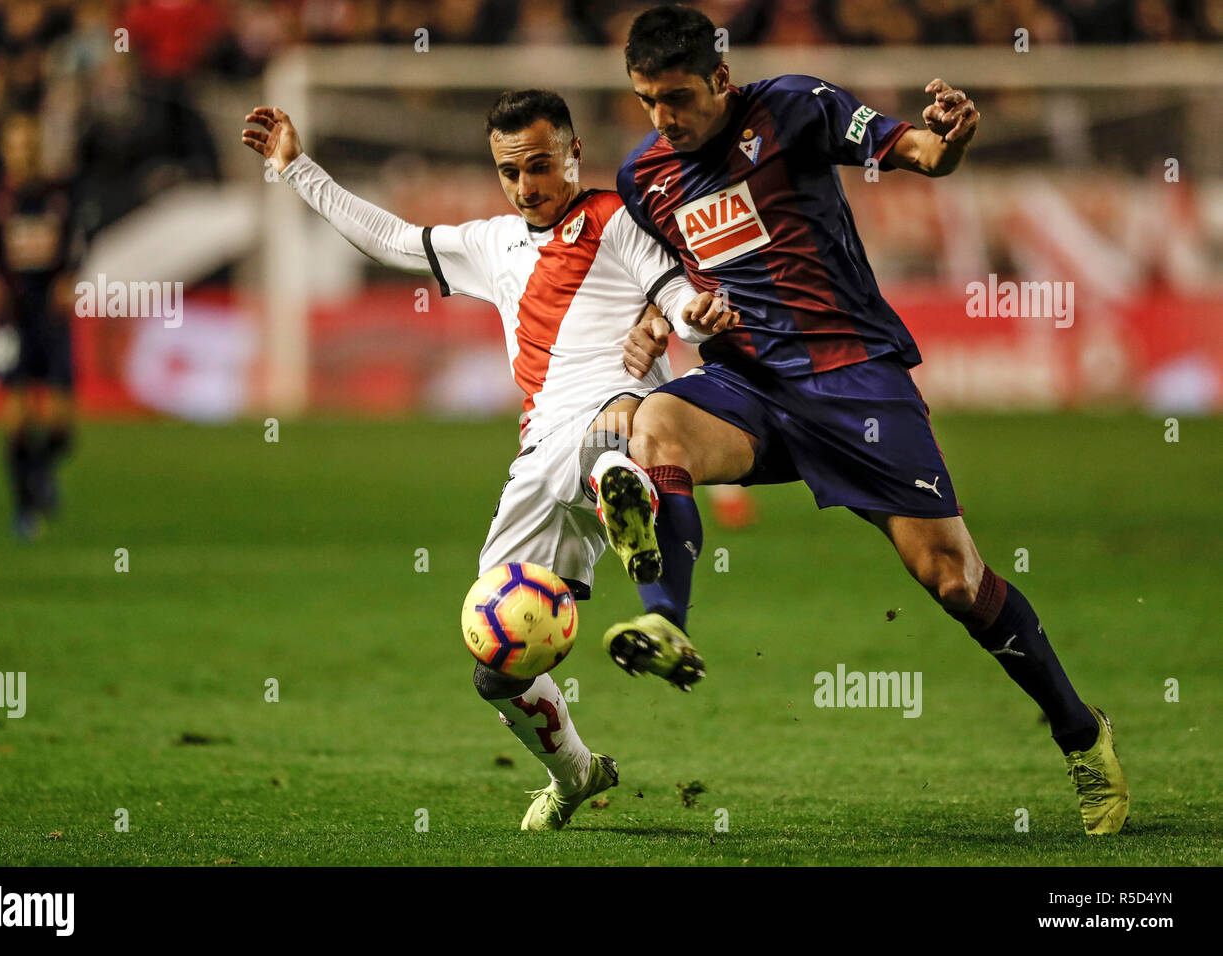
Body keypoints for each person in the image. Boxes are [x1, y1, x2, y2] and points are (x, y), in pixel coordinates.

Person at [599, 5, 1128, 836]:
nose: (663, 118)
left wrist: (946, 138)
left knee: (954, 581)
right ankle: (665, 620)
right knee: (652, 428)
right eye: (646, 101)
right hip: (748, 384)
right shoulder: (645, 177)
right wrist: (659, 319)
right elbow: (669, 278)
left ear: (720, 80)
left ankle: (1079, 732)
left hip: (854, 383)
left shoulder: (796, 107)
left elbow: (919, 153)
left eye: (676, 98)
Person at [241, 89, 735, 830]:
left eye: (540, 165)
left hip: (620, 410)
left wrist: (677, 318)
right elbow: (392, 240)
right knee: (494, 667)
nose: (526, 185)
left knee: (616, 433)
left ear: (572, 151)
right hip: (540, 459)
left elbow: (679, 294)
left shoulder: (618, 220)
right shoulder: (492, 244)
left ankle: (625, 501)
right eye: (510, 171)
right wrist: (297, 167)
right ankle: (576, 773)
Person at [0, 112, 84, 539]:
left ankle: (40, 473)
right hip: (11, 317)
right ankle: (24, 509)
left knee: (62, 424)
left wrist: (70, 277)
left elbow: (79, 244)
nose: (24, 153)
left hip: (50, 317)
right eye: (15, 145)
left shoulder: (59, 195)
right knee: (15, 416)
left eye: (30, 144)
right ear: (4, 150)